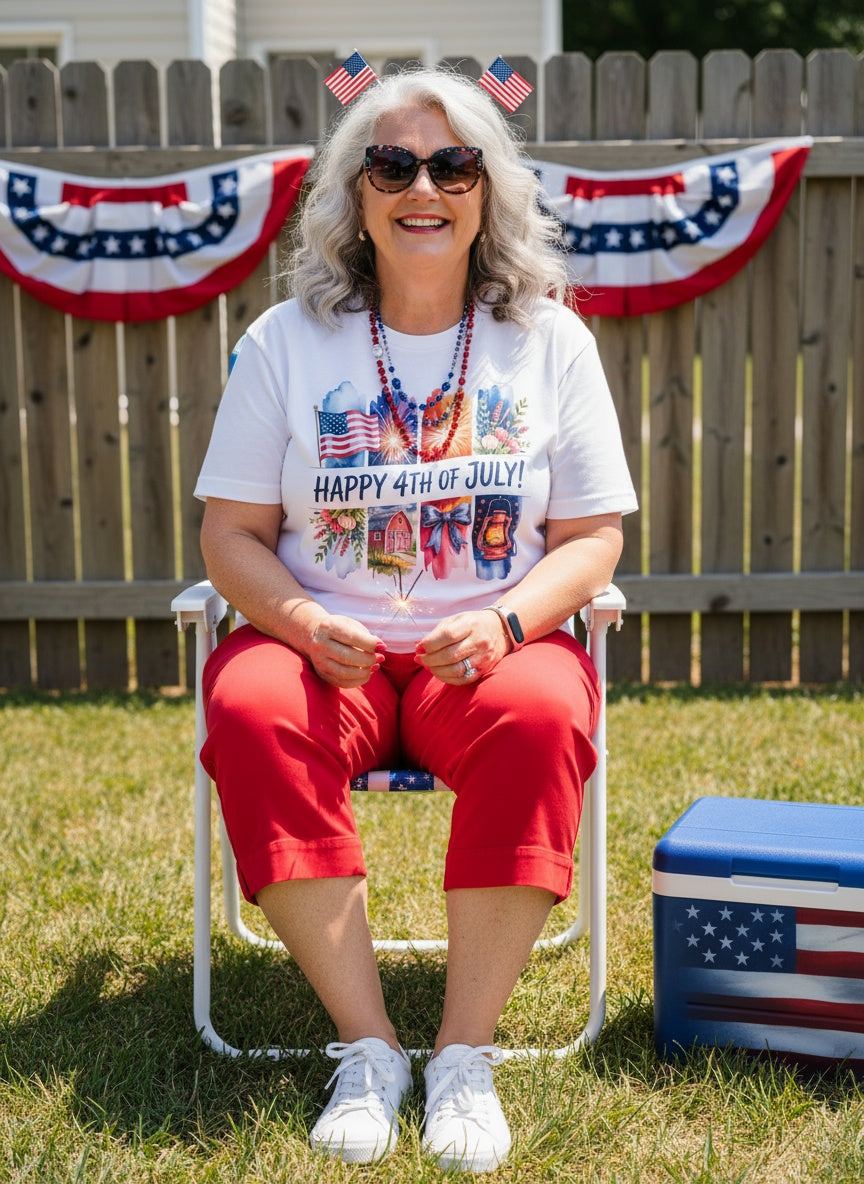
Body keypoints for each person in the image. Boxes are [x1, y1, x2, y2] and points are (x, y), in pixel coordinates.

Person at [194, 65, 637, 1173]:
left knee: (540, 714)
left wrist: (507, 623)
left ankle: (463, 1056)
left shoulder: (551, 341)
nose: (422, 187)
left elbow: (592, 538)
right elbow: (229, 534)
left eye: (453, 164)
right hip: (322, 651)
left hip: (484, 650)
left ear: (490, 188)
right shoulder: (285, 342)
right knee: (248, 705)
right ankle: (370, 1047)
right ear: (355, 191)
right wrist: (293, 620)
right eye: (392, 164)